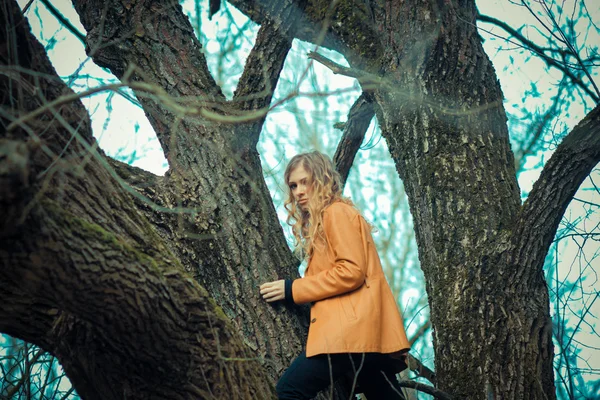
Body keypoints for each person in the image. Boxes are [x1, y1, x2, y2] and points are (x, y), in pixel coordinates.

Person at [260, 151, 411, 399]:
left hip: (348, 334)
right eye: (293, 185)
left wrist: (293, 289)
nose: (298, 191)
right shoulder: (329, 218)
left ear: (322, 179)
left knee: (289, 391)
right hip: (361, 333)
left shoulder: (336, 212)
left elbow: (351, 271)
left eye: (305, 182)